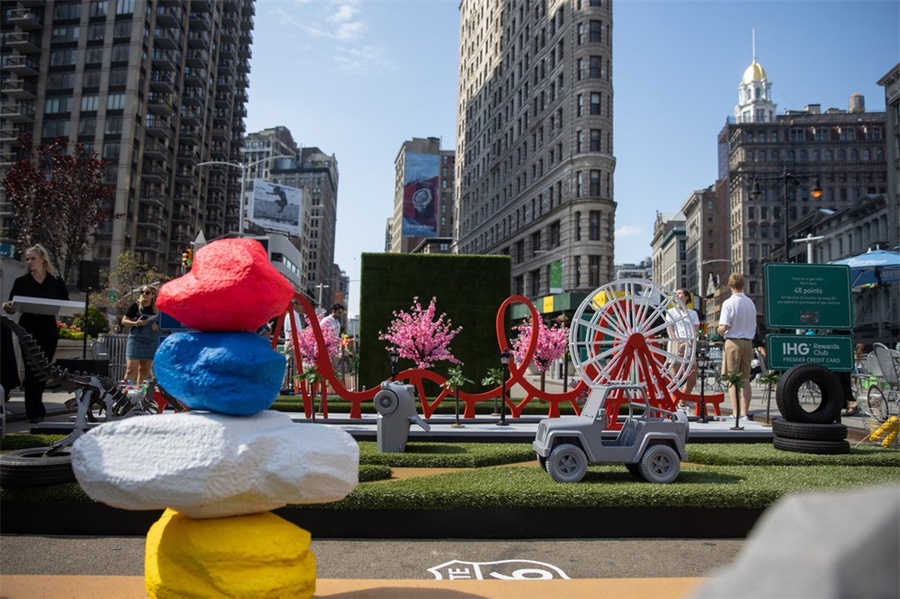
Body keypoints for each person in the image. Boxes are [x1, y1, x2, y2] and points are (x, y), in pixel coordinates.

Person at [2, 244, 70, 423]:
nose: (29, 262)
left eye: (33, 258)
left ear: (42, 259)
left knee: (43, 369)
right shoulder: (22, 282)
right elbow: (12, 305)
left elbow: (66, 304)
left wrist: (76, 312)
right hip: (28, 329)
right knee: (32, 368)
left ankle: (37, 409)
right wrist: (7, 306)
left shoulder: (56, 282)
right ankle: (34, 411)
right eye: (27, 259)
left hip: (48, 329)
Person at [716, 273, 757, 418]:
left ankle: (736, 413)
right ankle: (744, 413)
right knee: (745, 379)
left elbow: (724, 326)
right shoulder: (750, 303)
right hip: (748, 342)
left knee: (732, 379)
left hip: (733, 342)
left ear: (729, 286)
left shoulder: (729, 303)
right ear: (743, 285)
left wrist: (718, 330)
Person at [667, 288, 701, 403]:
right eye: (676, 293)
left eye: (680, 293)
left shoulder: (693, 313)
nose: (677, 295)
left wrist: (687, 343)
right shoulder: (671, 312)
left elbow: (696, 330)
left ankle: (682, 401)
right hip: (675, 343)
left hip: (690, 344)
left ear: (686, 297)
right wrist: (678, 344)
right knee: (674, 378)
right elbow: (670, 330)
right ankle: (673, 403)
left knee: (692, 379)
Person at [121, 286, 160, 385]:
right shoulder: (136, 305)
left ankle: (140, 393)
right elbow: (124, 320)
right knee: (131, 369)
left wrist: (157, 327)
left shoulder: (157, 309)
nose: (144, 294)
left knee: (144, 370)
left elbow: (163, 324)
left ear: (153, 295)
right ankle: (126, 392)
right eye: (142, 292)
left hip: (151, 340)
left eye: (147, 293)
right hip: (136, 339)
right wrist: (135, 323)